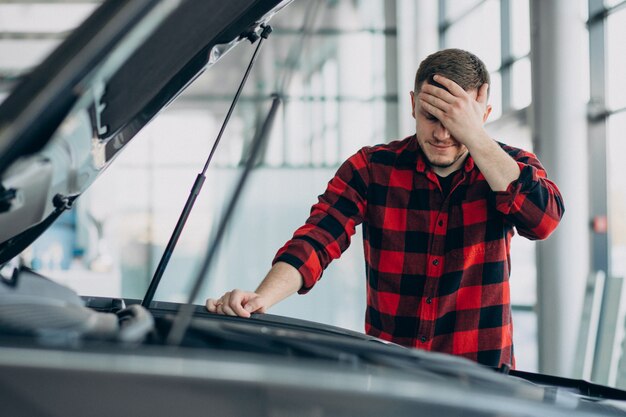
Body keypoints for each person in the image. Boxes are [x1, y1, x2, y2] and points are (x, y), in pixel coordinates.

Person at [206, 48, 564, 368]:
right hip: (392, 376)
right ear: (412, 104)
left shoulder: (508, 167)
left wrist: (477, 137)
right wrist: (260, 298)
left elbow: (544, 221)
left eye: (456, 122)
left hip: (482, 382)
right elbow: (317, 239)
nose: (442, 134)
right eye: (431, 117)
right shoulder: (372, 168)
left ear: (481, 115)